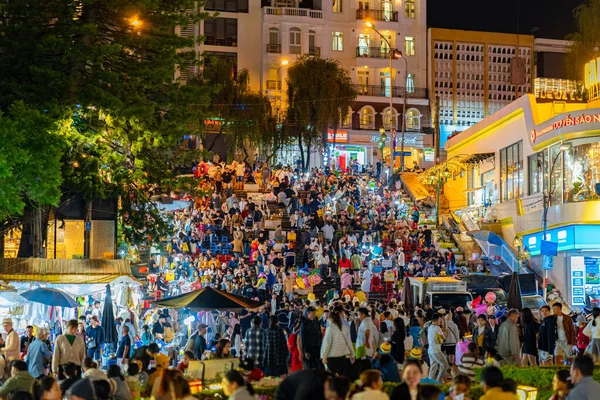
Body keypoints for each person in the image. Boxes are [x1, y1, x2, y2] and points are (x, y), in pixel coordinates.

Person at [320, 306, 354, 377]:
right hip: (343, 356)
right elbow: (349, 342)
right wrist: (352, 354)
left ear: (331, 319)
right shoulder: (345, 327)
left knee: (332, 377)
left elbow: (327, 344)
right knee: (341, 376)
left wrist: (324, 356)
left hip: (332, 357)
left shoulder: (330, 329)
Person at [427, 313, 449, 383]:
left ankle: (430, 382)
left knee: (433, 366)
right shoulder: (437, 328)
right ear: (438, 319)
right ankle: (438, 381)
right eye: (440, 319)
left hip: (430, 350)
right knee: (445, 365)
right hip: (436, 350)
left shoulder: (429, 327)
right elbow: (444, 337)